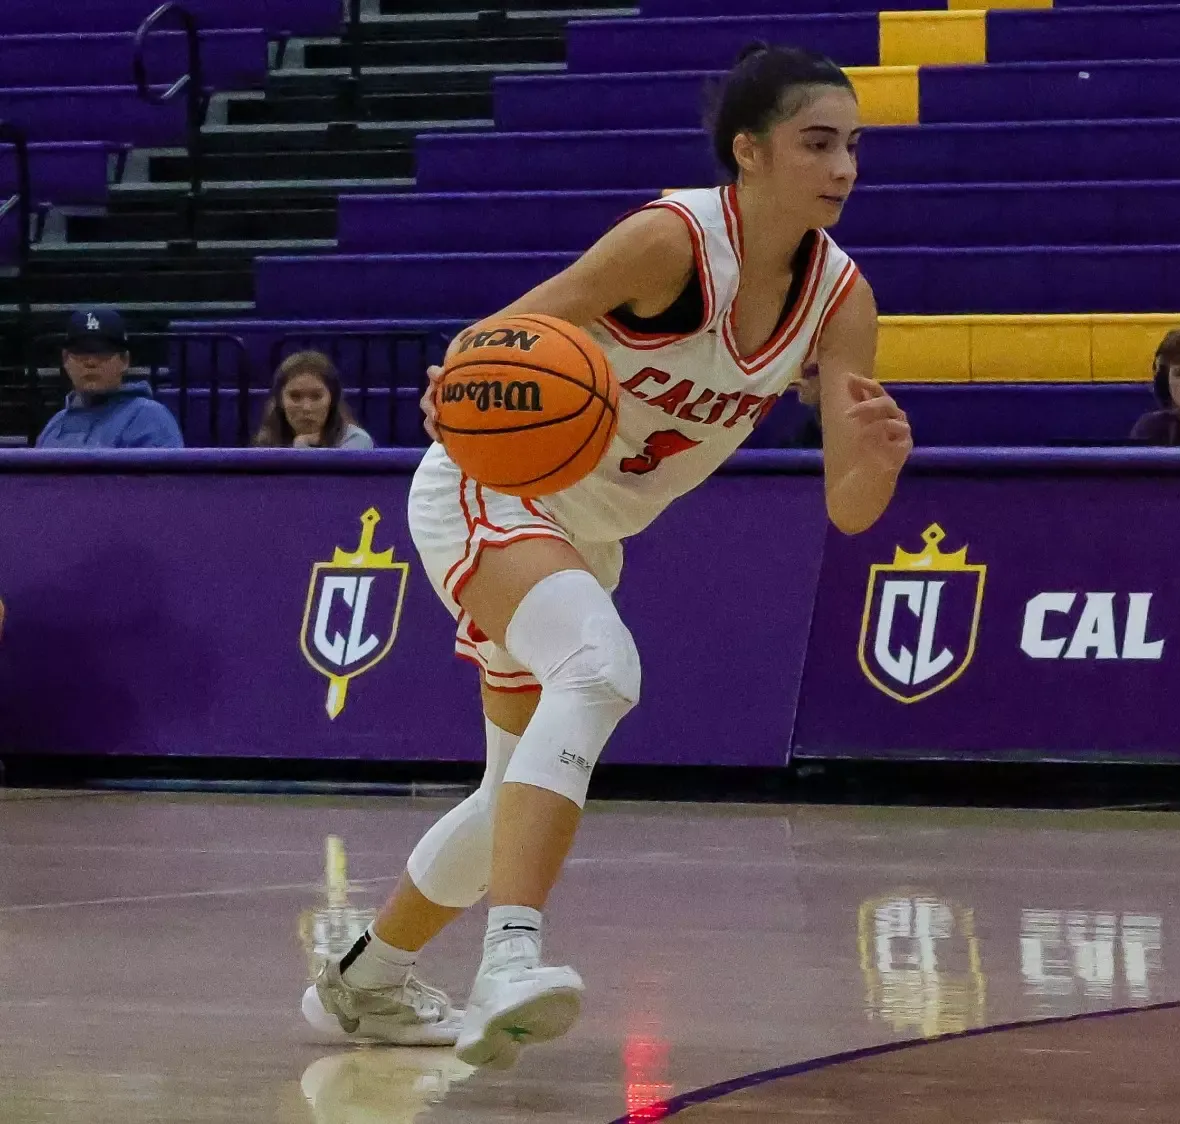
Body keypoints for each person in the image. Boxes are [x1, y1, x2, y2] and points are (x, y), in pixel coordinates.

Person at [301, 43, 911, 1067]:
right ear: (749, 152)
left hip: (582, 537)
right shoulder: (671, 241)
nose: (843, 166)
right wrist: (461, 382)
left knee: (510, 797)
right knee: (600, 666)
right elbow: (500, 336)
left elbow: (846, 510)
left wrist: (881, 462)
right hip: (488, 491)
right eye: (817, 143)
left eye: (852, 145)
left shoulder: (841, 299)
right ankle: (511, 958)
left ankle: (362, 977)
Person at [33, 308, 183, 449]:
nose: (91, 362)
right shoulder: (55, 424)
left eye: (102, 352)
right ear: (65, 359)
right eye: (81, 352)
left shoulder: (150, 418)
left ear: (124, 360)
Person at [253, 351, 376, 449]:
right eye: (295, 397)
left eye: (316, 397)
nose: (307, 408)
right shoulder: (266, 443)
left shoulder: (357, 440)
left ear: (332, 399)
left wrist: (301, 446)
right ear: (280, 400)